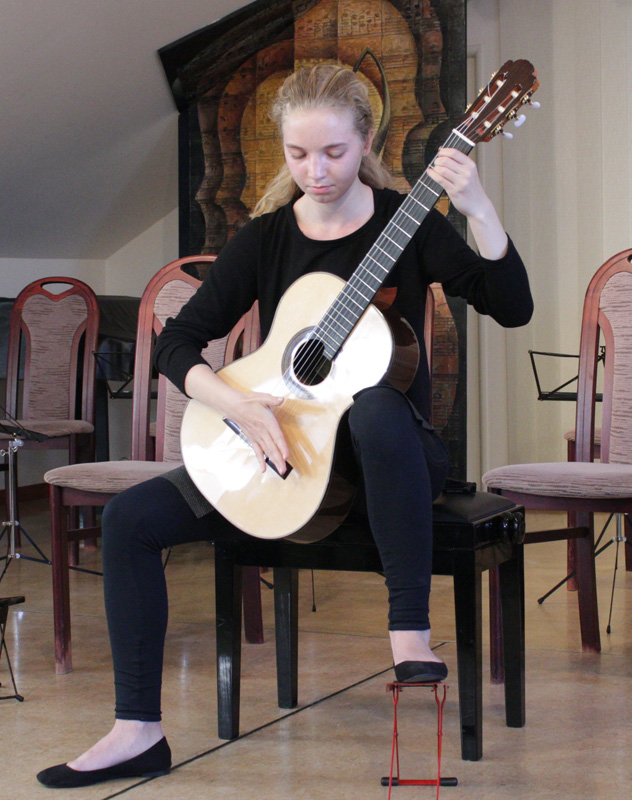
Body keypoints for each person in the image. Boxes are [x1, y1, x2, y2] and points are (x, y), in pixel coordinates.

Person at [37, 64, 533, 789]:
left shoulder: (409, 224)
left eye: (333, 152)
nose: (315, 171)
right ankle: (136, 730)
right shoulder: (267, 238)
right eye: (298, 154)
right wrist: (237, 405)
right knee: (129, 520)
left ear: (366, 141)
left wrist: (478, 208)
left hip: (390, 460)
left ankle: (408, 632)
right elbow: (179, 343)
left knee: (373, 405)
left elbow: (512, 308)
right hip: (288, 455)